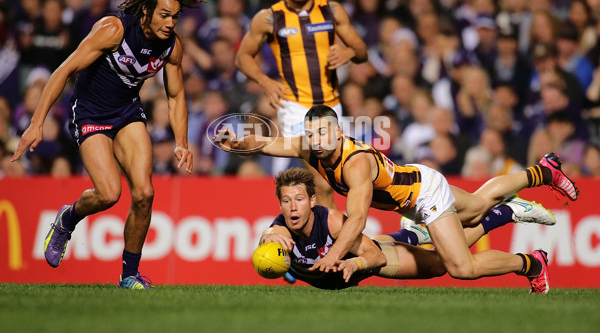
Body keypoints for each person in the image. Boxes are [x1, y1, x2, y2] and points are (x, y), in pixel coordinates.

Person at [214, 105, 580, 292]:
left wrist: (334, 254)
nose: (317, 140)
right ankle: (544, 172)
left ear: (338, 130)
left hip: (424, 196)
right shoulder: (309, 147)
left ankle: (531, 263)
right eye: (311, 134)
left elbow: (357, 219)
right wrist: (236, 142)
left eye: (324, 132)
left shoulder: (355, 163)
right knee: (480, 204)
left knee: (460, 268)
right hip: (417, 181)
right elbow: (265, 143)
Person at [11, 0, 205, 289]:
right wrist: (36, 123)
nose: (170, 23)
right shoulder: (113, 30)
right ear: (146, 10)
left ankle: (129, 276)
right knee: (109, 194)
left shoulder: (172, 46)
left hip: (127, 112)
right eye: (164, 15)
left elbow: (175, 95)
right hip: (90, 112)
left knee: (144, 193)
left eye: (175, 17)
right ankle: (67, 218)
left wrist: (181, 141)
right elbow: (64, 70)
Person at [260, 167, 553, 292]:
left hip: (375, 264)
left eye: (299, 199)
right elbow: (269, 244)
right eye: (286, 201)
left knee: (447, 264)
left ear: (312, 201)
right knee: (406, 241)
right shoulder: (278, 233)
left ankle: (520, 244)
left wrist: (354, 264)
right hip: (371, 248)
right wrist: (267, 238)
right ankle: (416, 233)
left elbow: (374, 257)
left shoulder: (333, 222)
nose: (293, 207)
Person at [235, 0, 368, 209]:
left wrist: (349, 52)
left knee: (337, 179)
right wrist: (265, 81)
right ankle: (333, 244)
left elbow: (362, 52)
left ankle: (328, 236)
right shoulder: (269, 18)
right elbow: (242, 58)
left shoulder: (332, 11)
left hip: (331, 107)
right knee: (322, 181)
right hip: (294, 107)